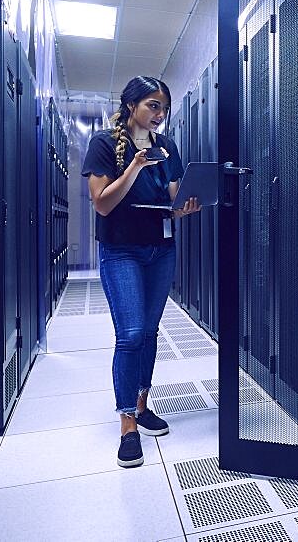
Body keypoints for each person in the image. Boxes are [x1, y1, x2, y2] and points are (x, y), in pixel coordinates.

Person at [81, 76, 200, 468]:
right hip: (121, 250)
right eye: (153, 106)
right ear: (131, 105)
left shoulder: (168, 147)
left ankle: (143, 403)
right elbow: (101, 204)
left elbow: (173, 197)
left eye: (164, 108)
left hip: (160, 249)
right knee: (130, 334)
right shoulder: (104, 145)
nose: (160, 114)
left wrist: (185, 206)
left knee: (150, 331)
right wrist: (134, 165)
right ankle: (127, 424)